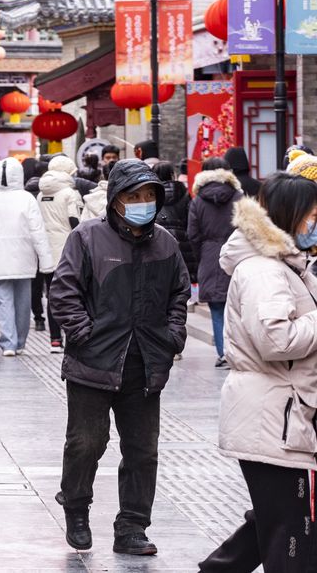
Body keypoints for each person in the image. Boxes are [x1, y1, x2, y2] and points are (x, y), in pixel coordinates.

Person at [50, 159, 190, 556]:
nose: (143, 203)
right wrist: (82, 333)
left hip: (146, 365)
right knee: (86, 444)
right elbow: (63, 292)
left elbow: (180, 292)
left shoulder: (164, 241)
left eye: (149, 196)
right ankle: (76, 507)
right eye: (134, 196)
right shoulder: (87, 238)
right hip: (93, 363)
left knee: (143, 451)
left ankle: (132, 526)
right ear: (115, 201)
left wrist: (173, 336)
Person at [198, 174, 317, 573]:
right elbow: (276, 341)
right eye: (312, 217)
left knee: (277, 519)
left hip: (284, 412)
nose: (314, 226)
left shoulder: (286, 265)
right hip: (275, 416)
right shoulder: (264, 271)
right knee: (293, 529)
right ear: (291, 216)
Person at [0, 158, 55, 356]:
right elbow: (38, 231)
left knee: (3, 301)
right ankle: (20, 341)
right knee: (23, 302)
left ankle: (8, 342)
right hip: (24, 258)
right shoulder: (27, 198)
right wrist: (46, 262)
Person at [187, 158, 241, 369]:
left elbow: (192, 234)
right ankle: (237, 352)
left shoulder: (198, 200)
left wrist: (201, 254)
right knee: (237, 308)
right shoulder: (238, 196)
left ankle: (223, 353)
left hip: (209, 256)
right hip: (237, 254)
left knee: (217, 310)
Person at [36, 155, 84, 352]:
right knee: (73, 295)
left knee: (52, 295)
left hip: (47, 251)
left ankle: (55, 339)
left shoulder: (40, 194)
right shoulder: (69, 193)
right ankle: (73, 336)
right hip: (68, 251)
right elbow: (75, 221)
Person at [153, 161, 198, 285]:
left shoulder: (152, 195)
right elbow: (191, 219)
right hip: (183, 241)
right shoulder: (183, 192)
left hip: (159, 241)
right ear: (172, 174)